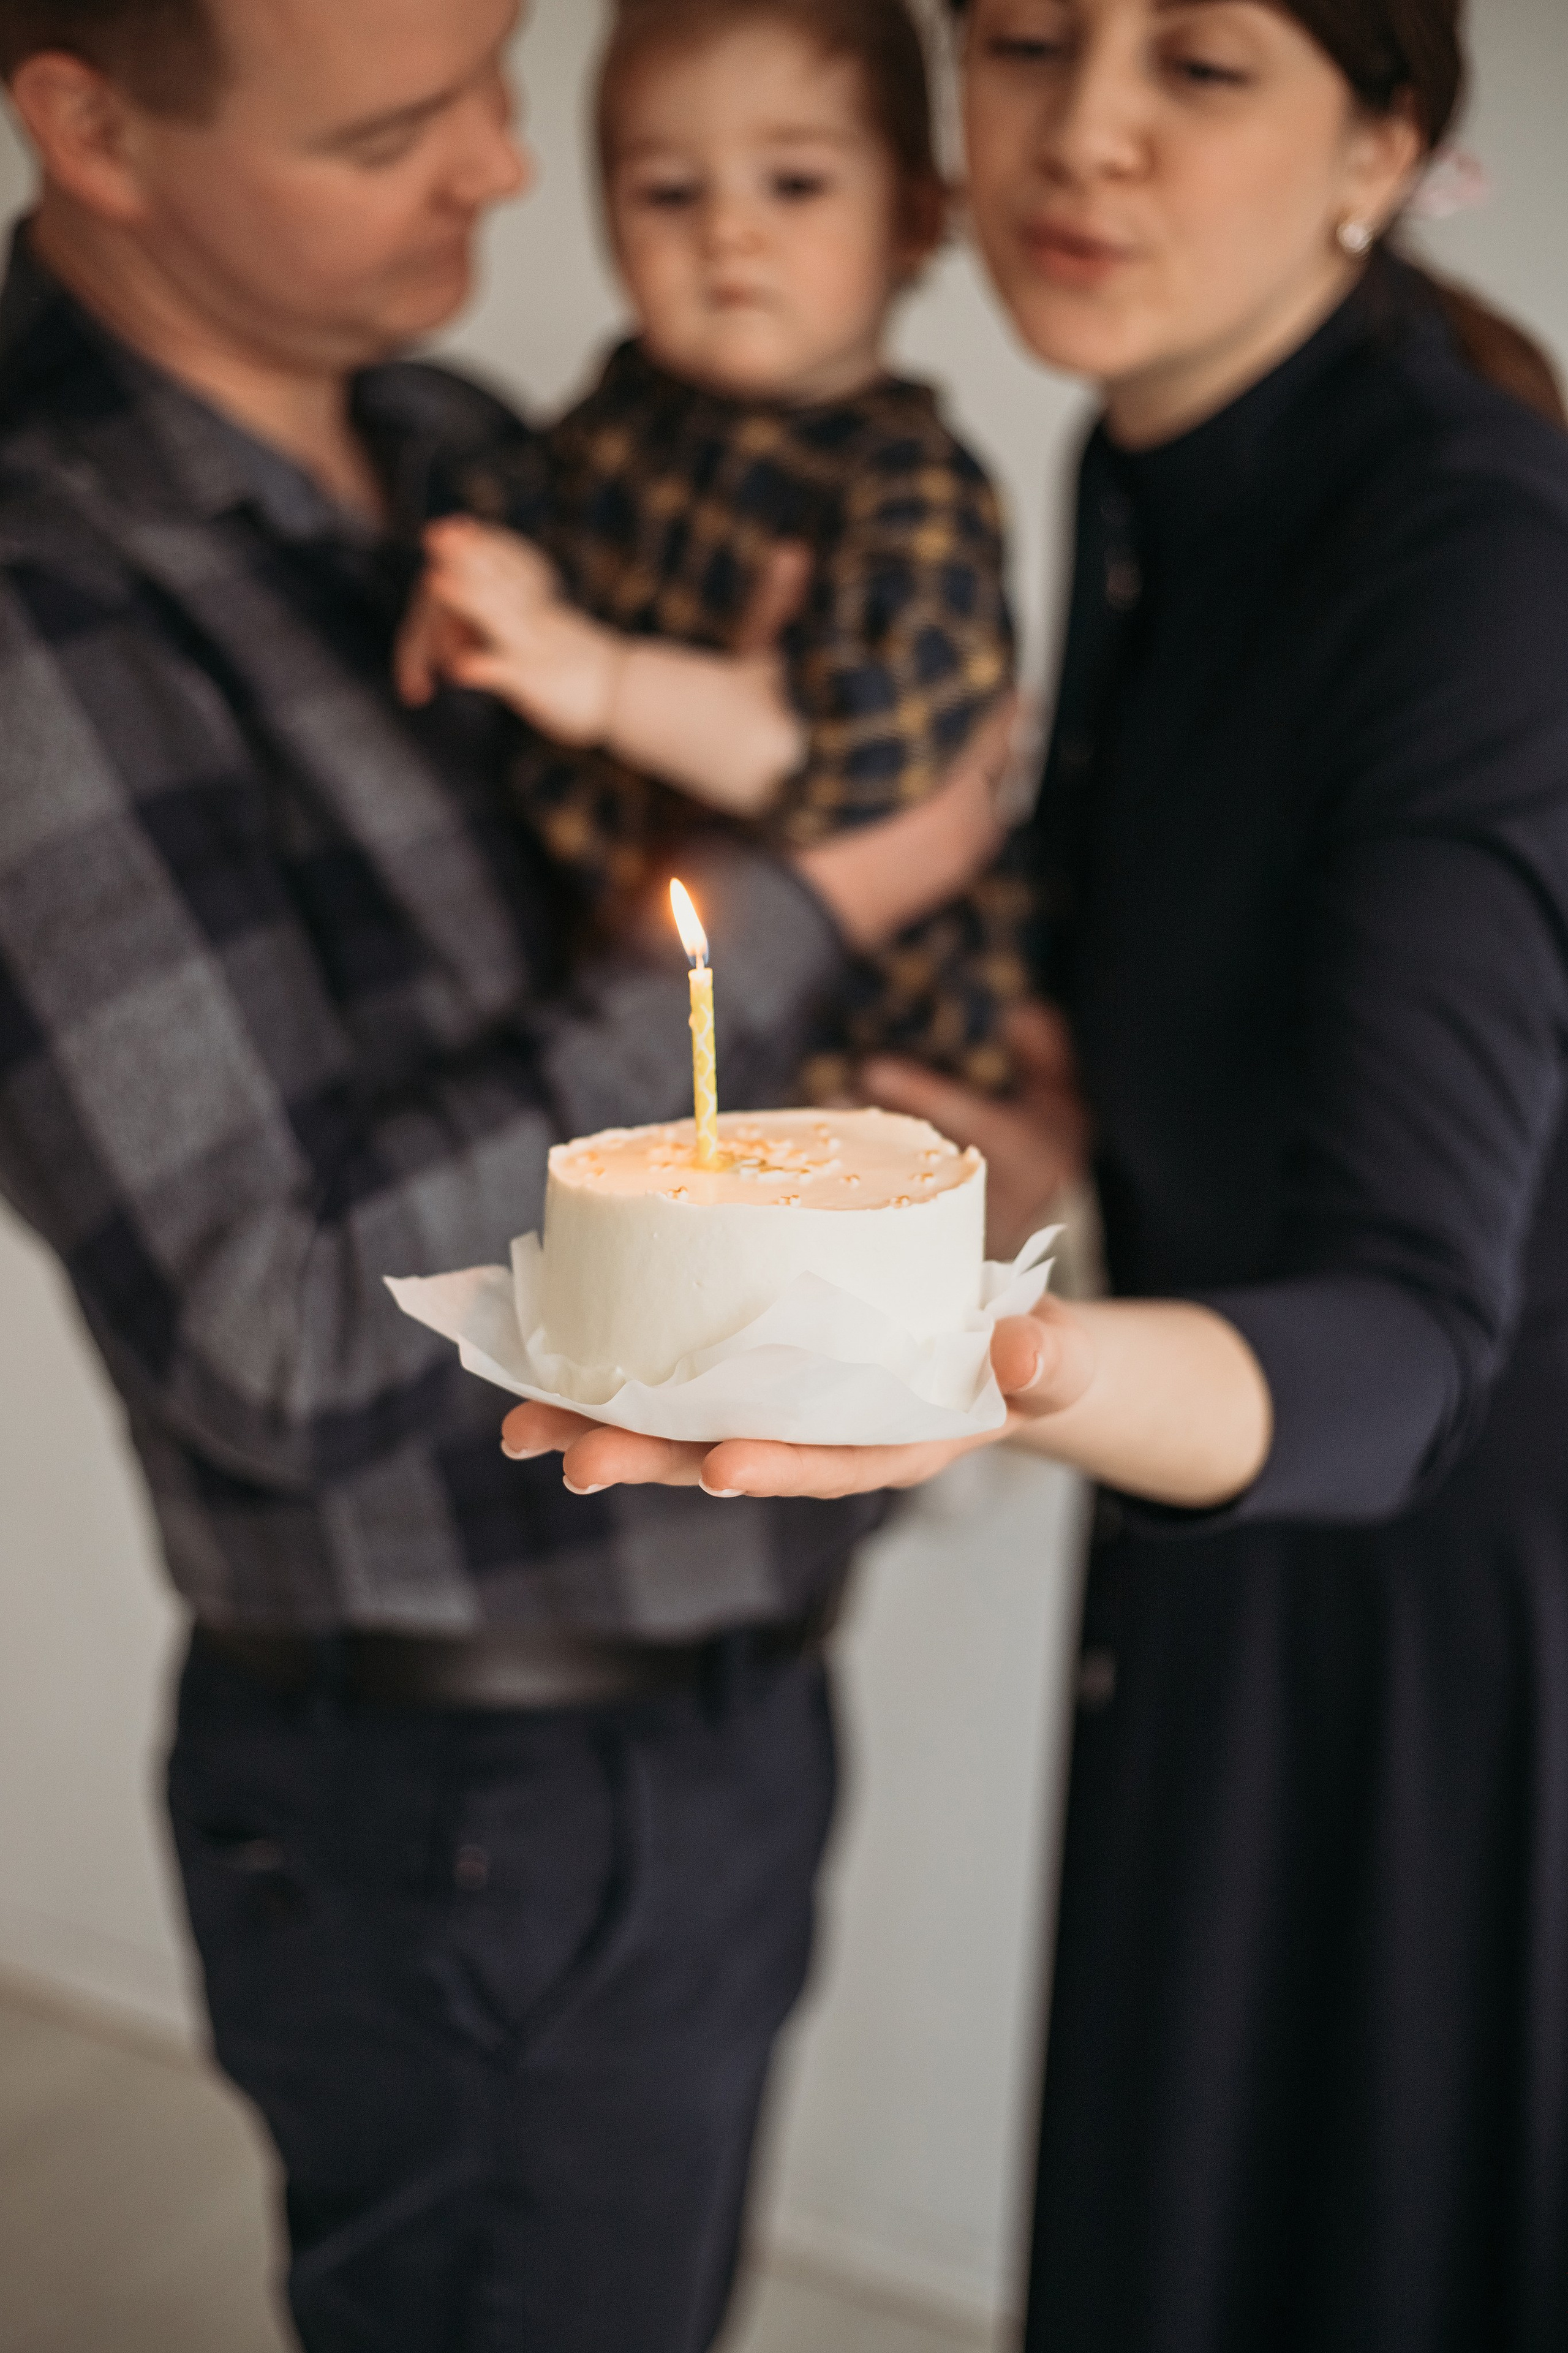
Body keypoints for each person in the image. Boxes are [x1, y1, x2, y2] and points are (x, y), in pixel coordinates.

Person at [507, 0, 1568, 2344]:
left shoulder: (1474, 561)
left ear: (1378, 140)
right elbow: (1136, 1074)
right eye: (1022, 39)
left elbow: (1409, 1345)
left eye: (1200, 64)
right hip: (1205, 1538)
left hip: (1444, 1646)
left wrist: (999, 1357)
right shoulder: (1139, 462)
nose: (1079, 135)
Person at [0, 2, 1006, 2346]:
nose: (505, 171)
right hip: (466, 1792)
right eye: (389, 128)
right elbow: (270, 1326)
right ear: (90, 127)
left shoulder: (466, 448)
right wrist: (816, 900)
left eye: (495, 77)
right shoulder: (47, 593)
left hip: (714, 1701)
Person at [398, 0, 1029, 1104]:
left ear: (916, 217)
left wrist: (601, 680)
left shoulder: (908, 486)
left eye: (794, 183)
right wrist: (477, 583)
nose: (727, 232)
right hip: (625, 986)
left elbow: (850, 761)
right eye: (669, 193)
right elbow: (517, 508)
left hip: (852, 1034)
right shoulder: (621, 417)